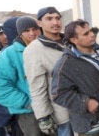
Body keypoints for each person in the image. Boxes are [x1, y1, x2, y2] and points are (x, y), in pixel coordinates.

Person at [51, 19, 99, 136]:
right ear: (74, 40)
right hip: (90, 123)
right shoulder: (66, 64)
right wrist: (85, 102)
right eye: (86, 34)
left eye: (90, 31)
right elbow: (58, 94)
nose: (92, 34)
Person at [0, 16, 43, 136]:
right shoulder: (8, 55)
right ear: (19, 33)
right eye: (27, 30)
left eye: (35, 29)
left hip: (52, 107)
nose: (32, 33)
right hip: (29, 113)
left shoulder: (46, 48)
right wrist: (26, 102)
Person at [23, 7, 74, 136]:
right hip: (62, 112)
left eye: (57, 18)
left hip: (82, 107)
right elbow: (36, 86)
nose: (55, 22)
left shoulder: (71, 42)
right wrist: (43, 116)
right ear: (39, 23)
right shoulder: (34, 50)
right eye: (49, 19)